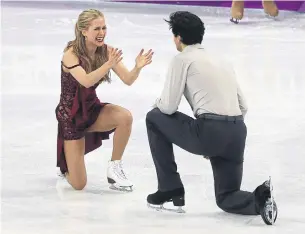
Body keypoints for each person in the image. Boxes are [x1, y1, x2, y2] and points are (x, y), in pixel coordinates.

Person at [145, 11, 277, 225]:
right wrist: (221, 140)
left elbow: (168, 107)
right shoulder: (222, 60)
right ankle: (259, 199)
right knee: (227, 196)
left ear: (177, 38)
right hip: (237, 133)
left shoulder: (182, 59)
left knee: (154, 117)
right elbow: (243, 106)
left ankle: (169, 187)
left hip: (210, 132)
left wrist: (211, 140)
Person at [55, 9, 153, 191]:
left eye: (104, 28)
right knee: (79, 184)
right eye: (97, 29)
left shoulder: (107, 51)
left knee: (124, 117)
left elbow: (128, 79)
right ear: (84, 31)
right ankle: (66, 167)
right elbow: (85, 81)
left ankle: (114, 168)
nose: (102, 33)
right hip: (72, 117)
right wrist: (108, 64)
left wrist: (137, 67)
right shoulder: (71, 54)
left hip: (91, 109)